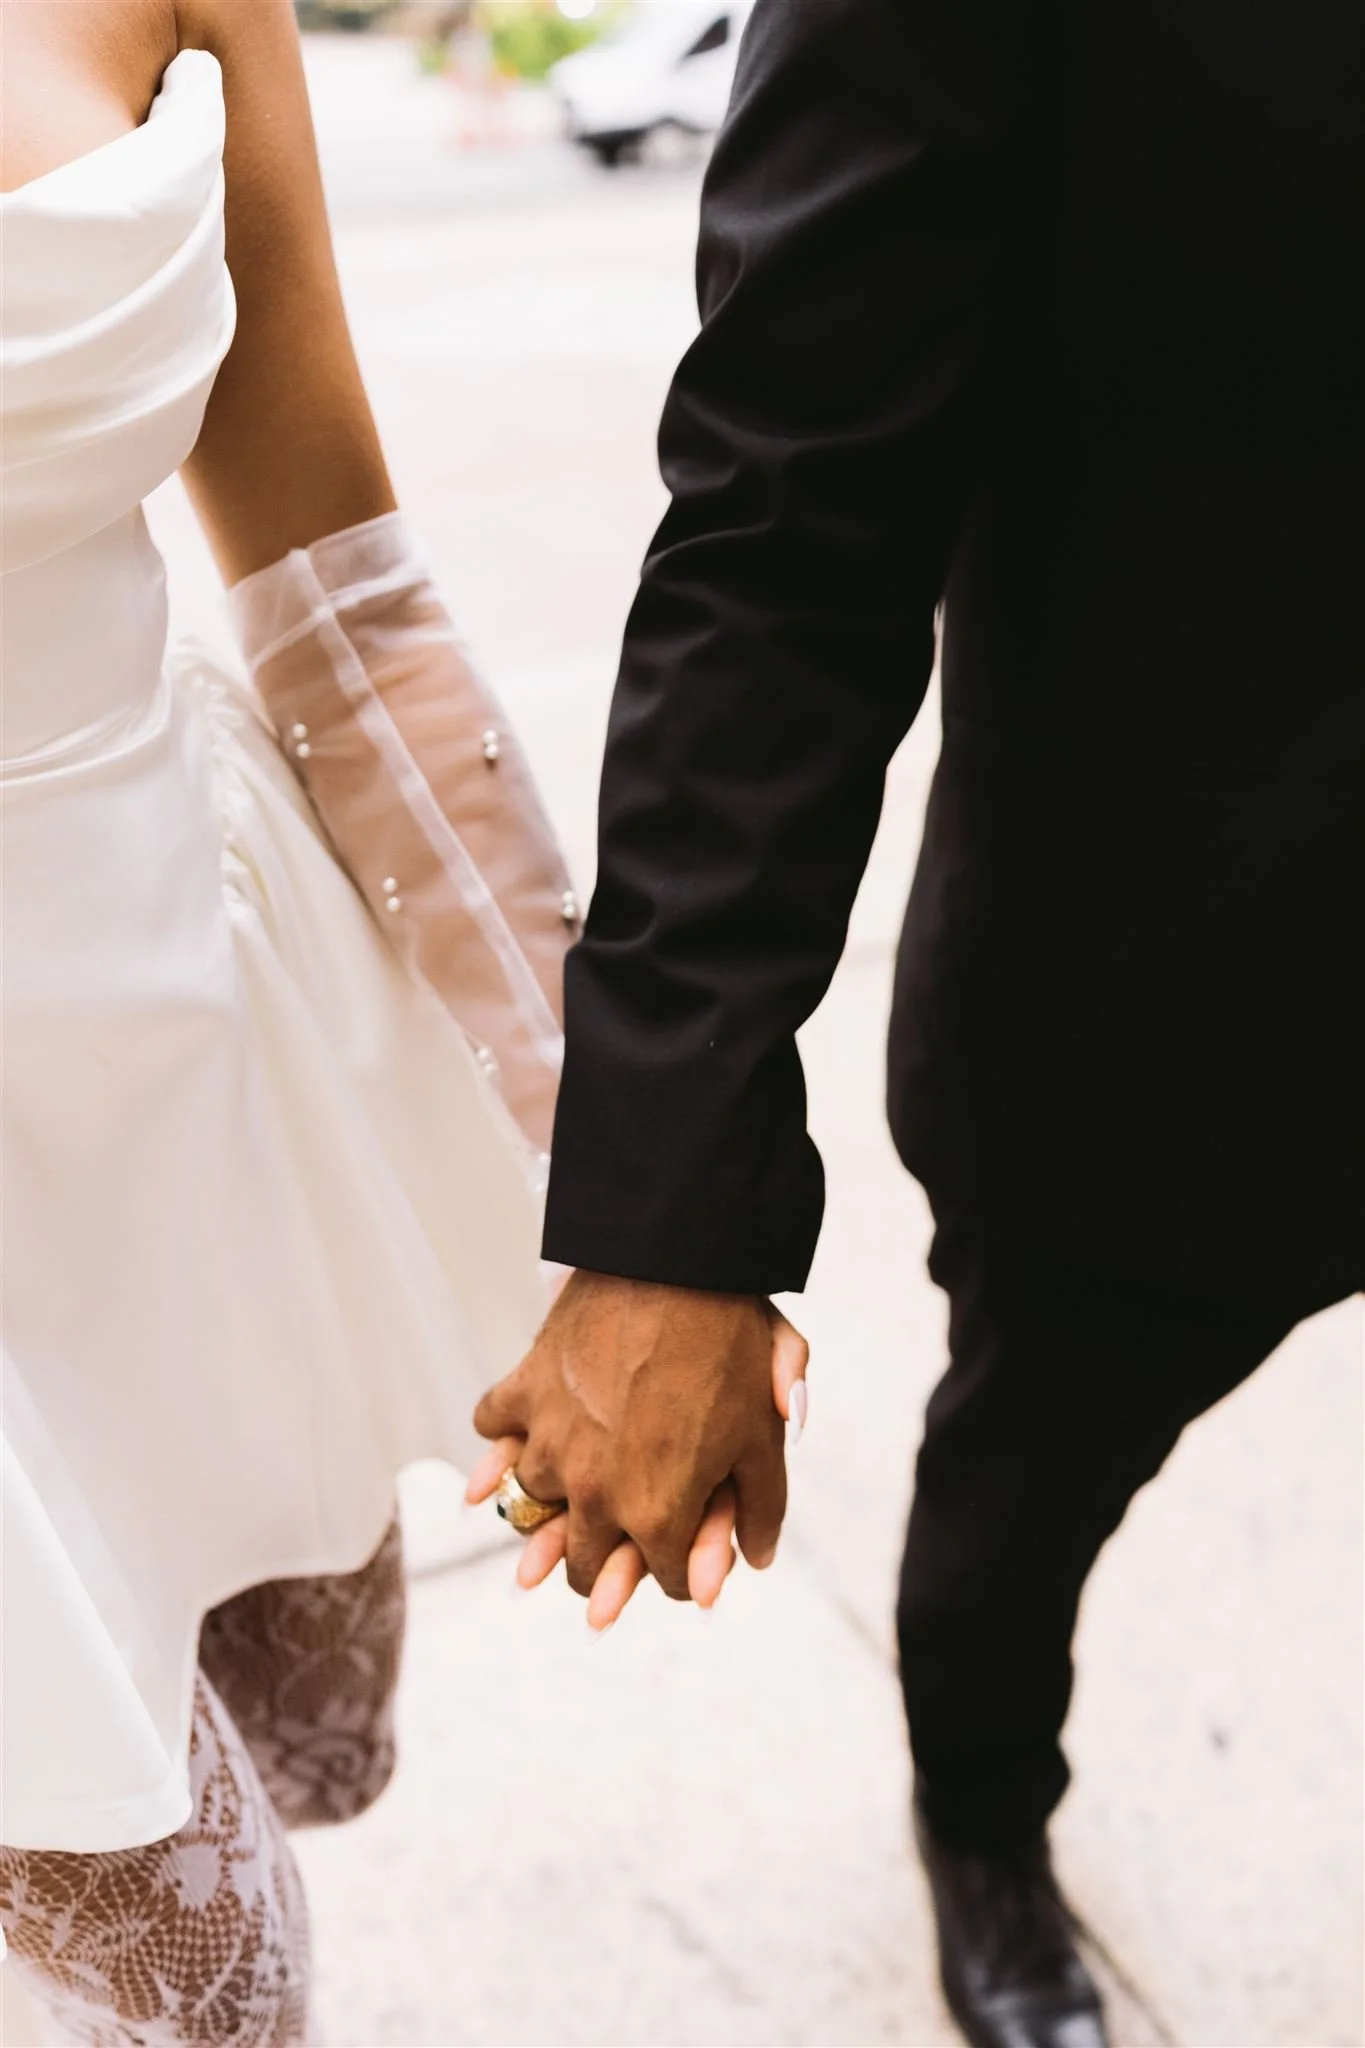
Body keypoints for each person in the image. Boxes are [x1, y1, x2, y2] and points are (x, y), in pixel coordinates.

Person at [474, 0, 1364, 2043]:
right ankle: (980, 1819)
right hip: (1176, 972)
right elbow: (790, 524)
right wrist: (667, 1207)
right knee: (1021, 1487)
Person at [0, 3, 783, 2040]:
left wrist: (647, 1196)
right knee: (207, 1975)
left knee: (255, 1785)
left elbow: (346, 609)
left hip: (168, 1101)